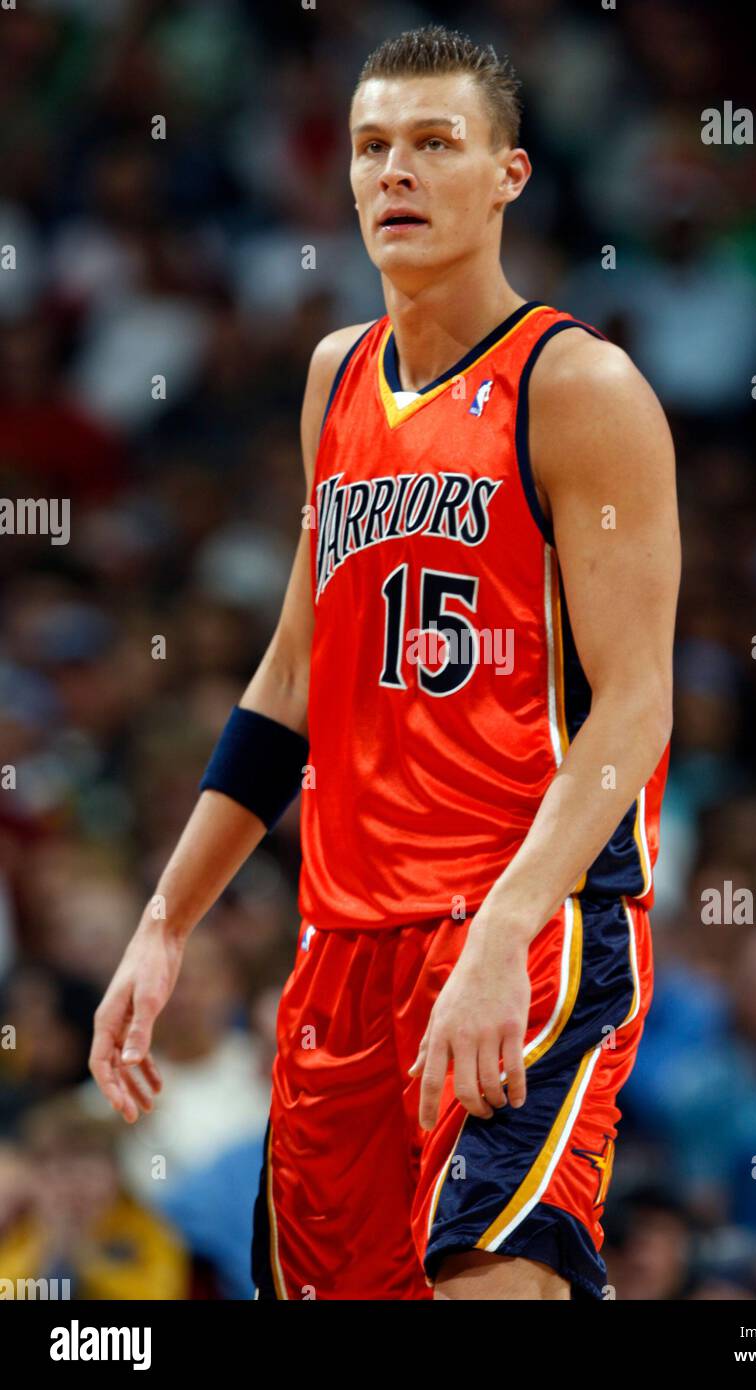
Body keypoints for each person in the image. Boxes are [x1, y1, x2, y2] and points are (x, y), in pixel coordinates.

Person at [89, 24, 680, 1301]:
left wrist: (505, 926)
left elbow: (635, 706)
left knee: (487, 1269)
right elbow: (291, 680)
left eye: (433, 143)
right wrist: (163, 922)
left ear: (508, 175)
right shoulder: (333, 379)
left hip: (526, 924)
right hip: (341, 951)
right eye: (371, 148)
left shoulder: (580, 387)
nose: (396, 172)